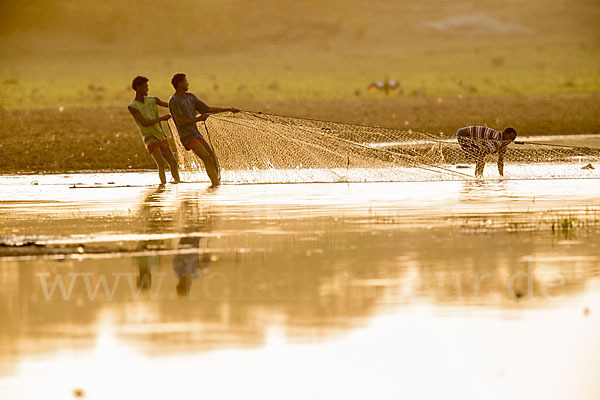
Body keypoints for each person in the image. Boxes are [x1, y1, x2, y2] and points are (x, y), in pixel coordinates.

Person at [168, 73, 239, 186]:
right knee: (207, 158)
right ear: (180, 83)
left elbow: (207, 109)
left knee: (212, 158)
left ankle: (216, 185)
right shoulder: (174, 101)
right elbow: (180, 121)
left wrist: (228, 109)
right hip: (187, 136)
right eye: (185, 81)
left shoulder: (191, 97)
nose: (187, 83)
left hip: (196, 134)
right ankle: (214, 184)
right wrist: (199, 119)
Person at [128, 76, 181, 185]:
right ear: (138, 88)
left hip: (160, 135)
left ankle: (177, 182)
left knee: (173, 162)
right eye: (145, 87)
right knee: (161, 163)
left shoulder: (152, 100)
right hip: (149, 137)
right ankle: (163, 184)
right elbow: (144, 123)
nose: (147, 89)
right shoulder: (132, 106)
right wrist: (161, 118)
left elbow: (170, 106)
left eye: (147, 87)